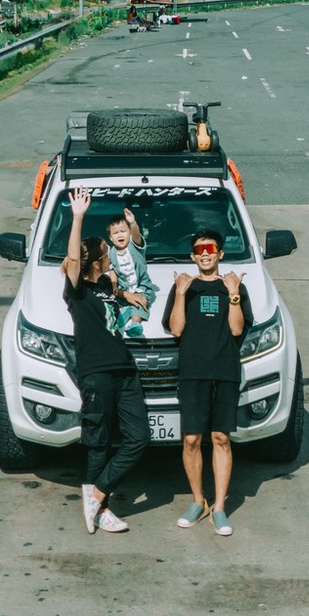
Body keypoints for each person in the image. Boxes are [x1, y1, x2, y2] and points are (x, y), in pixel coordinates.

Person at [62, 189, 147, 535]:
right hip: (96, 372)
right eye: (106, 256)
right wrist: (78, 217)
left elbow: (114, 297)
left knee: (138, 437)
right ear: (94, 261)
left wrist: (127, 294)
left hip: (125, 370)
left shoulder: (105, 286)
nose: (111, 257)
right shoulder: (77, 290)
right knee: (98, 442)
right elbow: (72, 260)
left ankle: (96, 494)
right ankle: (102, 508)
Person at [164, 229, 251, 536]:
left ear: (220, 254)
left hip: (225, 372)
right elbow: (176, 330)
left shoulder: (234, 286)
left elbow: (237, 329)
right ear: (192, 255)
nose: (205, 253)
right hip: (192, 372)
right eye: (199, 249)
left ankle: (220, 507)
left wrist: (234, 293)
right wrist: (181, 293)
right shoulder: (183, 286)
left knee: (221, 439)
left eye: (211, 248)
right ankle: (198, 501)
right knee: (190, 440)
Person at [104, 209, 154, 338]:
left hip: (141, 288)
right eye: (115, 233)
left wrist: (133, 223)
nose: (120, 235)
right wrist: (114, 284)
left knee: (140, 303)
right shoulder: (111, 253)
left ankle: (135, 323)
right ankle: (121, 314)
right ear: (110, 237)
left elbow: (137, 235)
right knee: (115, 301)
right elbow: (112, 270)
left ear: (130, 233)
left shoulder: (135, 246)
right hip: (123, 289)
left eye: (123, 231)